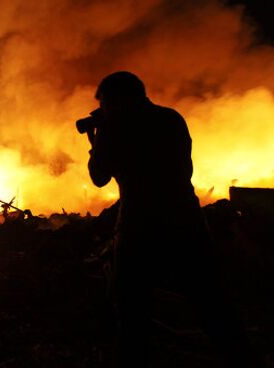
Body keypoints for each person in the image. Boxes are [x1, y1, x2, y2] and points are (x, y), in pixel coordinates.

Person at [85, 71, 259, 367]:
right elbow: (184, 168)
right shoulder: (171, 119)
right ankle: (243, 358)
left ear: (116, 101)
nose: (104, 111)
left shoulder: (115, 128)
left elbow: (99, 177)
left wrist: (97, 139)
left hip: (138, 228)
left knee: (131, 312)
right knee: (212, 303)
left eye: (105, 104)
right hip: (186, 221)